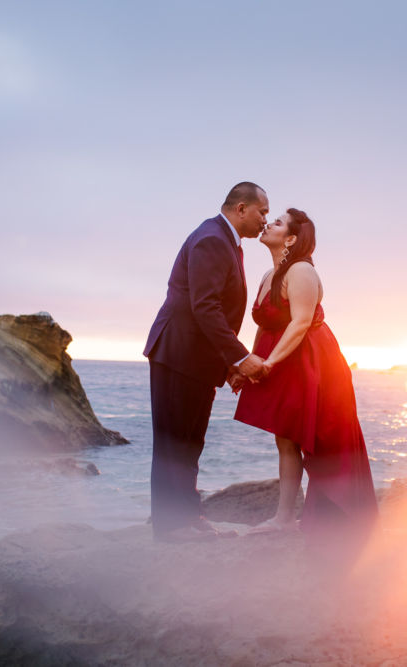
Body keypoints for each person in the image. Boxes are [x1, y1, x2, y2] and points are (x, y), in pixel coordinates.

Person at [233, 208, 378, 543]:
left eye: (279, 222)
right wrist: (250, 363)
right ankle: (284, 517)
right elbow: (267, 325)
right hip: (282, 357)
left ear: (292, 238)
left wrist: (269, 364)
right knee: (284, 436)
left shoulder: (300, 271)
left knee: (315, 438)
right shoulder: (269, 275)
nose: (270, 223)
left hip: (313, 362)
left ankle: (333, 518)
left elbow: (300, 323)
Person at [143, 182, 270, 542]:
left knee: (188, 442)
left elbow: (213, 309)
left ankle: (183, 515)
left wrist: (226, 362)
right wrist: (240, 357)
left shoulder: (224, 239)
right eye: (262, 211)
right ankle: (172, 526)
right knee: (175, 441)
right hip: (178, 354)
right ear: (241, 208)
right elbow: (205, 306)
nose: (265, 219)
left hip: (193, 358)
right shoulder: (213, 239)